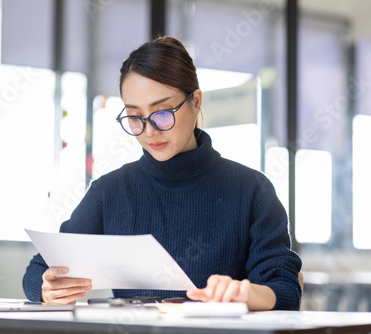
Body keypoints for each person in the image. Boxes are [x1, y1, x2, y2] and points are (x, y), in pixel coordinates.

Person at [23, 36, 302, 311]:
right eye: (134, 117)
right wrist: (48, 290)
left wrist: (246, 293)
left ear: (195, 102)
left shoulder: (251, 190)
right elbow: (39, 271)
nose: (150, 130)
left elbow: (285, 288)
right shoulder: (110, 192)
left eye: (163, 112)